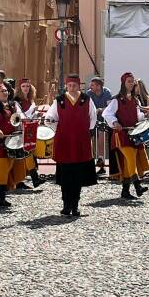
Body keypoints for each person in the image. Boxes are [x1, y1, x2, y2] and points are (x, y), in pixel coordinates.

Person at [44, 74, 97, 216]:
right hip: (64, 141)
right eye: (69, 85)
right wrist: (54, 127)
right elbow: (50, 117)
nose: (72, 88)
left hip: (81, 140)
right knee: (66, 175)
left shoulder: (86, 99)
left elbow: (93, 117)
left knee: (77, 175)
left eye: (74, 85)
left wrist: (88, 132)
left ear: (79, 85)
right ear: (66, 86)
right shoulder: (59, 100)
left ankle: (75, 204)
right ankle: (66, 204)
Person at [102, 72, 149, 200]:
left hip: (134, 134)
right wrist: (115, 122)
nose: (131, 83)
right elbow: (107, 114)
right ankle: (138, 185)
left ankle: (125, 191)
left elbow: (137, 115)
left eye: (132, 81)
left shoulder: (135, 100)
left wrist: (144, 116)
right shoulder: (116, 100)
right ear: (123, 83)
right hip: (122, 135)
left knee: (129, 161)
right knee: (130, 159)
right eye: (129, 81)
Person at [14, 78, 45, 189]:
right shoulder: (16, 101)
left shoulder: (31, 100)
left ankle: (33, 178)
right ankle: (34, 178)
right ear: (19, 88)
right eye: (23, 86)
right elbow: (20, 116)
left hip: (30, 129)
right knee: (27, 154)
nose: (26, 88)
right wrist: (33, 112)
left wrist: (37, 114)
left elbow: (31, 116)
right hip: (20, 130)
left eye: (27, 86)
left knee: (29, 153)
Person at [87, 77, 112, 176]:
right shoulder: (89, 93)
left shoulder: (106, 93)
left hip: (103, 119)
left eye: (93, 85)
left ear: (99, 86)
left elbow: (110, 106)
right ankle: (90, 163)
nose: (91, 87)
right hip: (91, 119)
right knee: (91, 140)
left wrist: (100, 109)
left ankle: (101, 161)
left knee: (101, 138)